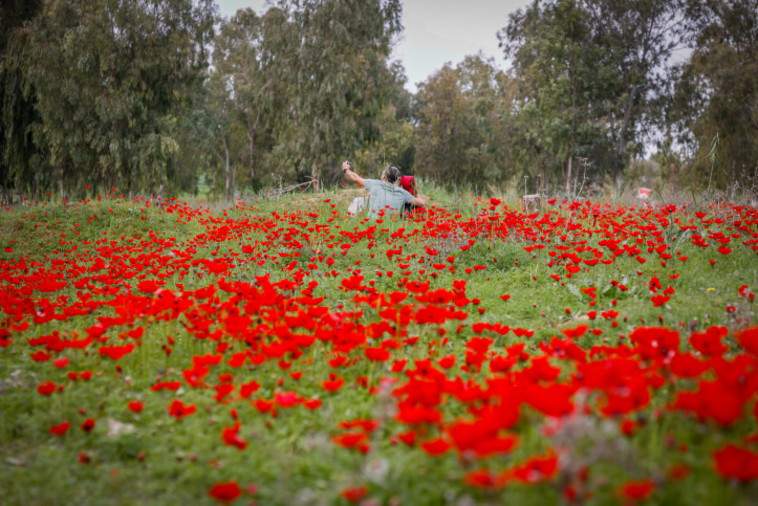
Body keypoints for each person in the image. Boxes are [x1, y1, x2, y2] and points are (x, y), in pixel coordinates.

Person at [342, 161, 427, 219]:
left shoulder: (375, 183)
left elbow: (355, 178)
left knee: (358, 200)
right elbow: (421, 203)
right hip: (391, 227)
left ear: (383, 176)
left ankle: (350, 220)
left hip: (372, 225)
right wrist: (414, 190)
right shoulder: (402, 193)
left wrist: (346, 169)